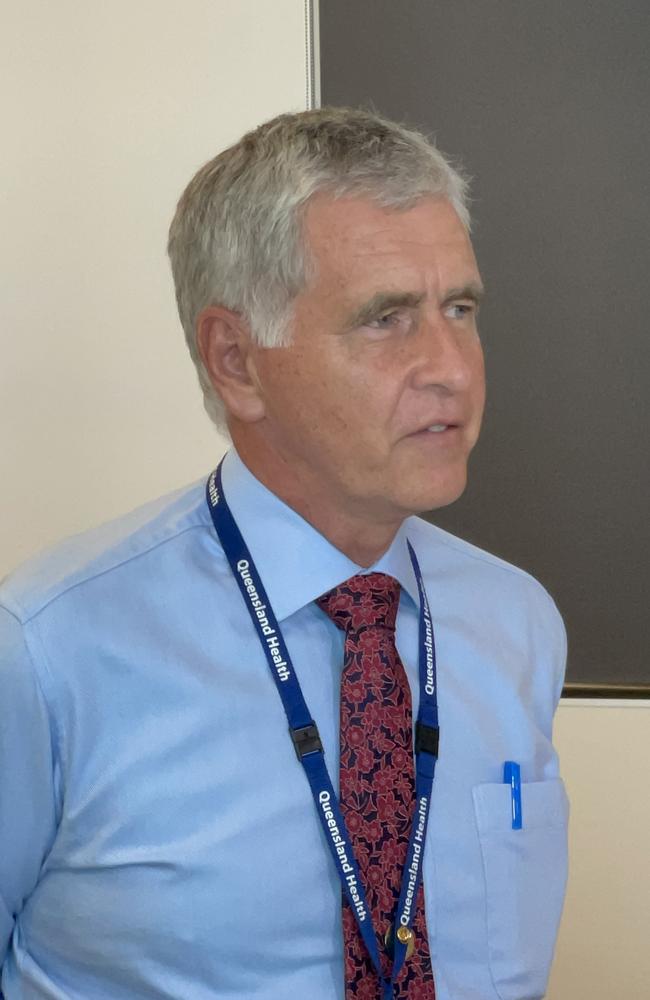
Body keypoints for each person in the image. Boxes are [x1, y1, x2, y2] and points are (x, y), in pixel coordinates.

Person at [0, 108, 569, 1000]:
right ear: (236, 361)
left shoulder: (517, 621)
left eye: (460, 307)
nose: (453, 367)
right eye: (387, 319)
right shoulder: (44, 650)